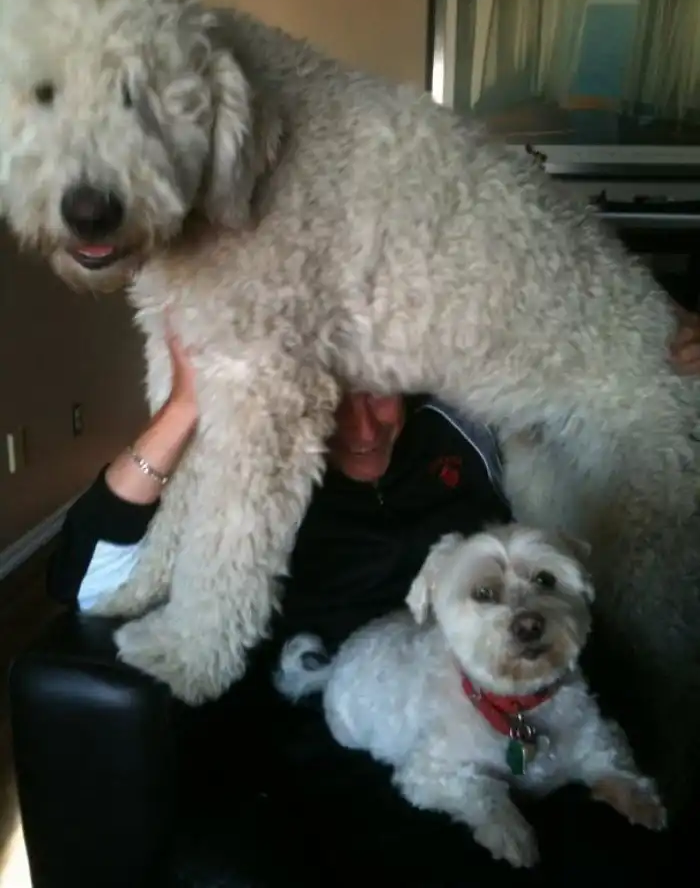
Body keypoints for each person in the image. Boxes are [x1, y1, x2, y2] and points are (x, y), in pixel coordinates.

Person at [45, 308, 700, 887]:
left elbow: (605, 427)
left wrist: (662, 359)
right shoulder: (253, 471)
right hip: (344, 736)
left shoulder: (463, 427)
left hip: (532, 704)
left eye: (379, 394)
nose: (362, 428)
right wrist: (185, 406)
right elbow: (86, 584)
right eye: (335, 402)